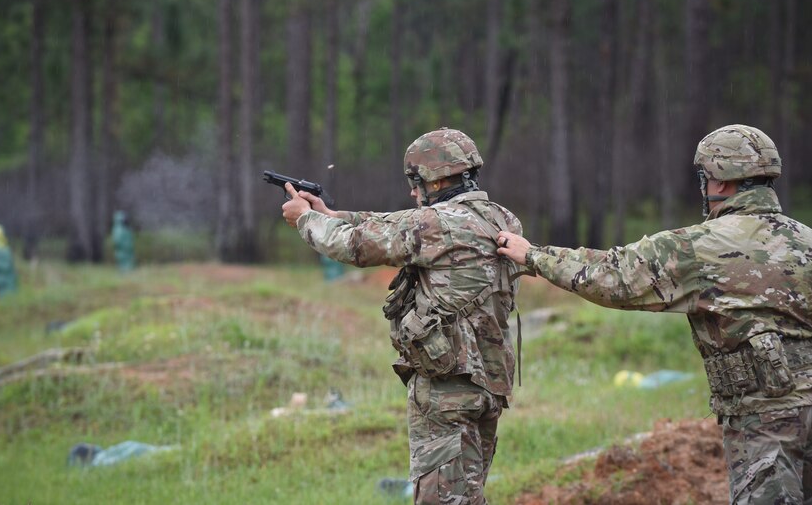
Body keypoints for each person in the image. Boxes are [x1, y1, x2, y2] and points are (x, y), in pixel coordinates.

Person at [497, 124, 812, 504]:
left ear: (720, 182)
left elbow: (615, 277)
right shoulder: (806, 240)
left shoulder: (700, 246)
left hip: (765, 422)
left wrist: (532, 255)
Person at [282, 128, 523, 504]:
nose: (413, 191)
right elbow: (396, 223)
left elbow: (354, 246)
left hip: (445, 389)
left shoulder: (432, 225)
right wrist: (333, 213)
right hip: (488, 385)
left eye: (416, 181)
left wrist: (305, 220)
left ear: (437, 179)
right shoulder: (503, 219)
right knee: (468, 497)